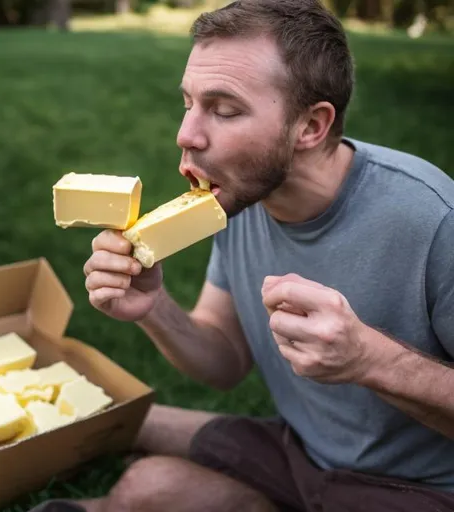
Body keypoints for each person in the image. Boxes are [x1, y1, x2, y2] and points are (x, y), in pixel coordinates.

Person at [31, 0, 454, 511]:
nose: (186, 135)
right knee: (144, 476)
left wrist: (370, 360)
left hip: (422, 488)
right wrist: (155, 308)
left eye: (224, 109)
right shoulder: (240, 195)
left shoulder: (431, 219)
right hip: (300, 452)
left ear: (311, 126)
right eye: (188, 102)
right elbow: (224, 362)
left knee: (148, 480)